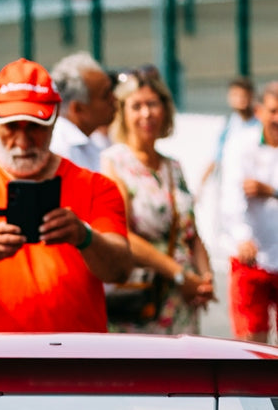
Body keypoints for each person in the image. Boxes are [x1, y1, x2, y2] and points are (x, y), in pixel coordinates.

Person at [0, 58, 131, 333]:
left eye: (35, 126)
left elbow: (119, 269)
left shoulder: (97, 186)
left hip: (73, 360)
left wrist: (84, 237)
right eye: (11, 127)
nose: (22, 142)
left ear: (55, 118)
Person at [102, 68, 214, 335]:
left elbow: (191, 233)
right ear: (122, 112)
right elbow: (122, 234)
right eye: (136, 106)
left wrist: (205, 279)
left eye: (152, 104)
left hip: (183, 300)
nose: (146, 113)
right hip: (142, 302)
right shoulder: (114, 162)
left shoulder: (173, 166)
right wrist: (179, 274)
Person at [223, 81, 278, 343]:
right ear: (260, 112)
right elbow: (231, 193)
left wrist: (271, 191)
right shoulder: (241, 144)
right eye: (273, 111)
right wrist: (242, 236)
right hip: (251, 258)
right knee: (251, 344)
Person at [49, 51, 116, 171]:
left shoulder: (90, 142)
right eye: (105, 95)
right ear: (78, 109)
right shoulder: (59, 148)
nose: (114, 99)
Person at [200, 75, 259, 192]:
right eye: (235, 95)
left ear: (251, 96)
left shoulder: (260, 125)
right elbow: (217, 156)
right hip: (232, 191)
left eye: (243, 95)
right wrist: (202, 185)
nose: (240, 99)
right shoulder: (229, 125)